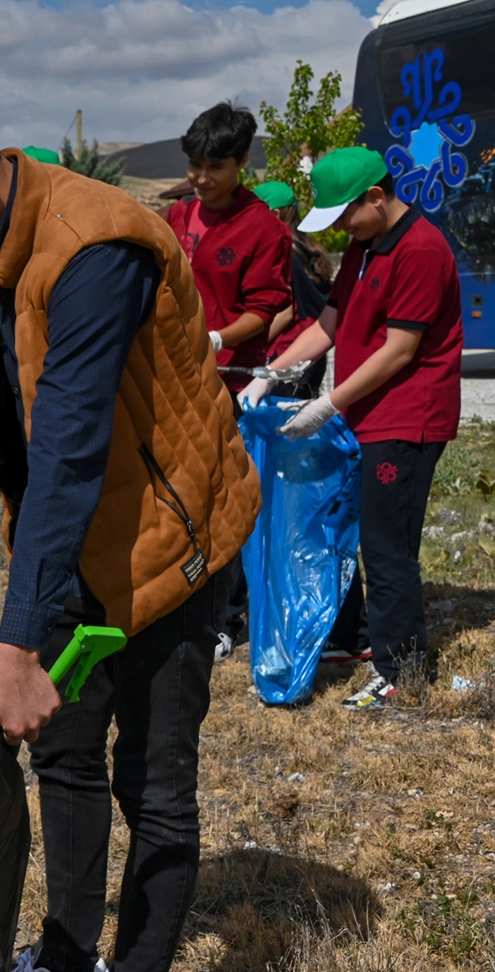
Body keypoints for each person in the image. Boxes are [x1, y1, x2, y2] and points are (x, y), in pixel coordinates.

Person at [0, 84, 259, 972]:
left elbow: (67, 446)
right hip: (65, 546)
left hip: (167, 543)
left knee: (154, 783)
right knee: (62, 757)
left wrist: (16, 648)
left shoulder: (94, 243)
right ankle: (67, 957)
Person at [244, 147, 464, 709]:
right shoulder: (366, 248)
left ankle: (400, 670)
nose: (341, 228)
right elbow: (332, 321)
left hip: (408, 417)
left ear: (376, 196)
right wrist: (274, 373)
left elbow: (400, 350)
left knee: (387, 545)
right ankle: (364, 644)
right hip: (369, 414)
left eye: (347, 215)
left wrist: (328, 404)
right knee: (356, 530)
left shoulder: (420, 249)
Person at [163, 102, 291, 660]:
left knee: (220, 499)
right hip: (169, 378)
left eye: (215, 167)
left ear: (242, 162)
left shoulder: (262, 227)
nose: (201, 178)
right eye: (195, 165)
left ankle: (222, 618)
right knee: (174, 497)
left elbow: (268, 307)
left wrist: (216, 338)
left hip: (226, 383)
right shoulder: (175, 217)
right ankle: (172, 601)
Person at [252, 179, 369, 666]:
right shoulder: (338, 254)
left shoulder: (290, 253)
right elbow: (325, 321)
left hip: (317, 394)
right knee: (310, 518)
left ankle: (361, 636)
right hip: (312, 387)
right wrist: (267, 374)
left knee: (327, 523)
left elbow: (308, 316)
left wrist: (314, 396)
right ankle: (346, 631)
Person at [255, 180, 337, 400]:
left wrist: (253, 342)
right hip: (315, 351)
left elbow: (286, 312)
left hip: (288, 351)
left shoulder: (282, 251)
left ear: (276, 214)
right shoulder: (310, 248)